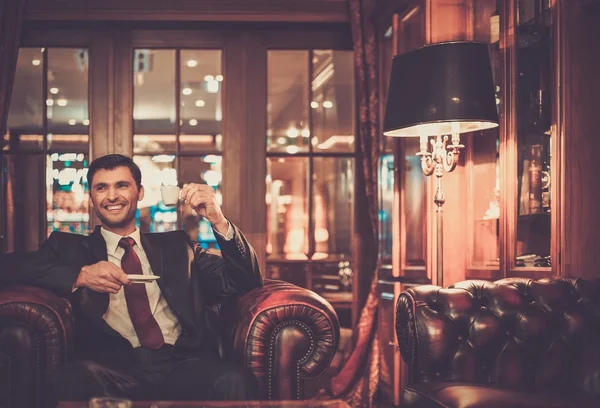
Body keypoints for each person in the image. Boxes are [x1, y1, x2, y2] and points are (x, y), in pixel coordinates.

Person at [0, 154, 263, 404]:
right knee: (74, 378)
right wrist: (80, 275)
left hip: (180, 363)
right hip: (109, 367)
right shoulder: (67, 247)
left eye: (122, 185)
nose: (112, 196)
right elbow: (8, 267)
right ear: (91, 198)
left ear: (140, 192)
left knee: (233, 379)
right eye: (101, 188)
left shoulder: (177, 245)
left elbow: (246, 282)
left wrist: (217, 219)